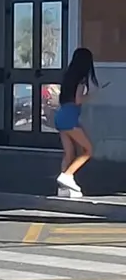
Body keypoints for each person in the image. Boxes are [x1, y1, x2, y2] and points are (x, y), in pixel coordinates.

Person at [56, 47, 97, 194]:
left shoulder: (68, 77)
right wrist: (91, 96)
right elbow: (78, 100)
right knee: (88, 150)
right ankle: (67, 176)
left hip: (61, 115)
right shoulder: (81, 80)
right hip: (69, 117)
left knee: (69, 153)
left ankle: (63, 189)